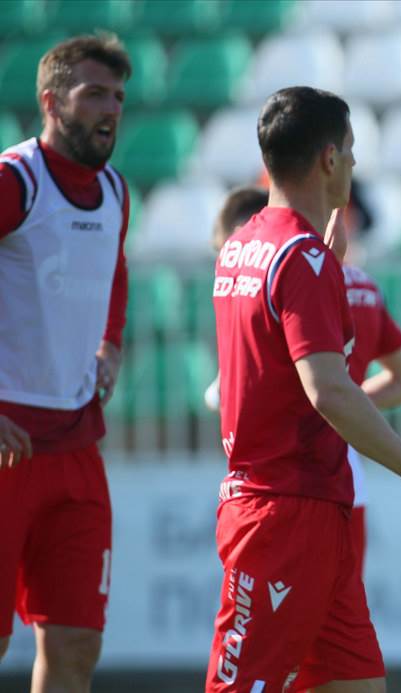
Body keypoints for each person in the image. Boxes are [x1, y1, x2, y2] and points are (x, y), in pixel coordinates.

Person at [206, 87, 401, 693]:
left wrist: (321, 270)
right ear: (329, 159)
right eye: (350, 151)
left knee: (355, 685)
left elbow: (280, 368)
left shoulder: (244, 245)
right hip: (284, 512)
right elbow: (329, 392)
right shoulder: (302, 260)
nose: (354, 164)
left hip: (312, 508)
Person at [0, 34, 131, 691]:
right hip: (5, 445)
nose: (111, 109)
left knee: (77, 644)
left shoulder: (115, 190)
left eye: (118, 96)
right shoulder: (12, 180)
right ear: (52, 101)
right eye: (94, 94)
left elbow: (115, 274)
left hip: (77, 450)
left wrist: (111, 344)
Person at [207, 189, 401, 578]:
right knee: (335, 623)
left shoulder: (276, 297)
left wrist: (341, 406)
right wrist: (348, 409)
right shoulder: (362, 289)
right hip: (344, 482)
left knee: (263, 635)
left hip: (281, 490)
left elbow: (227, 395)